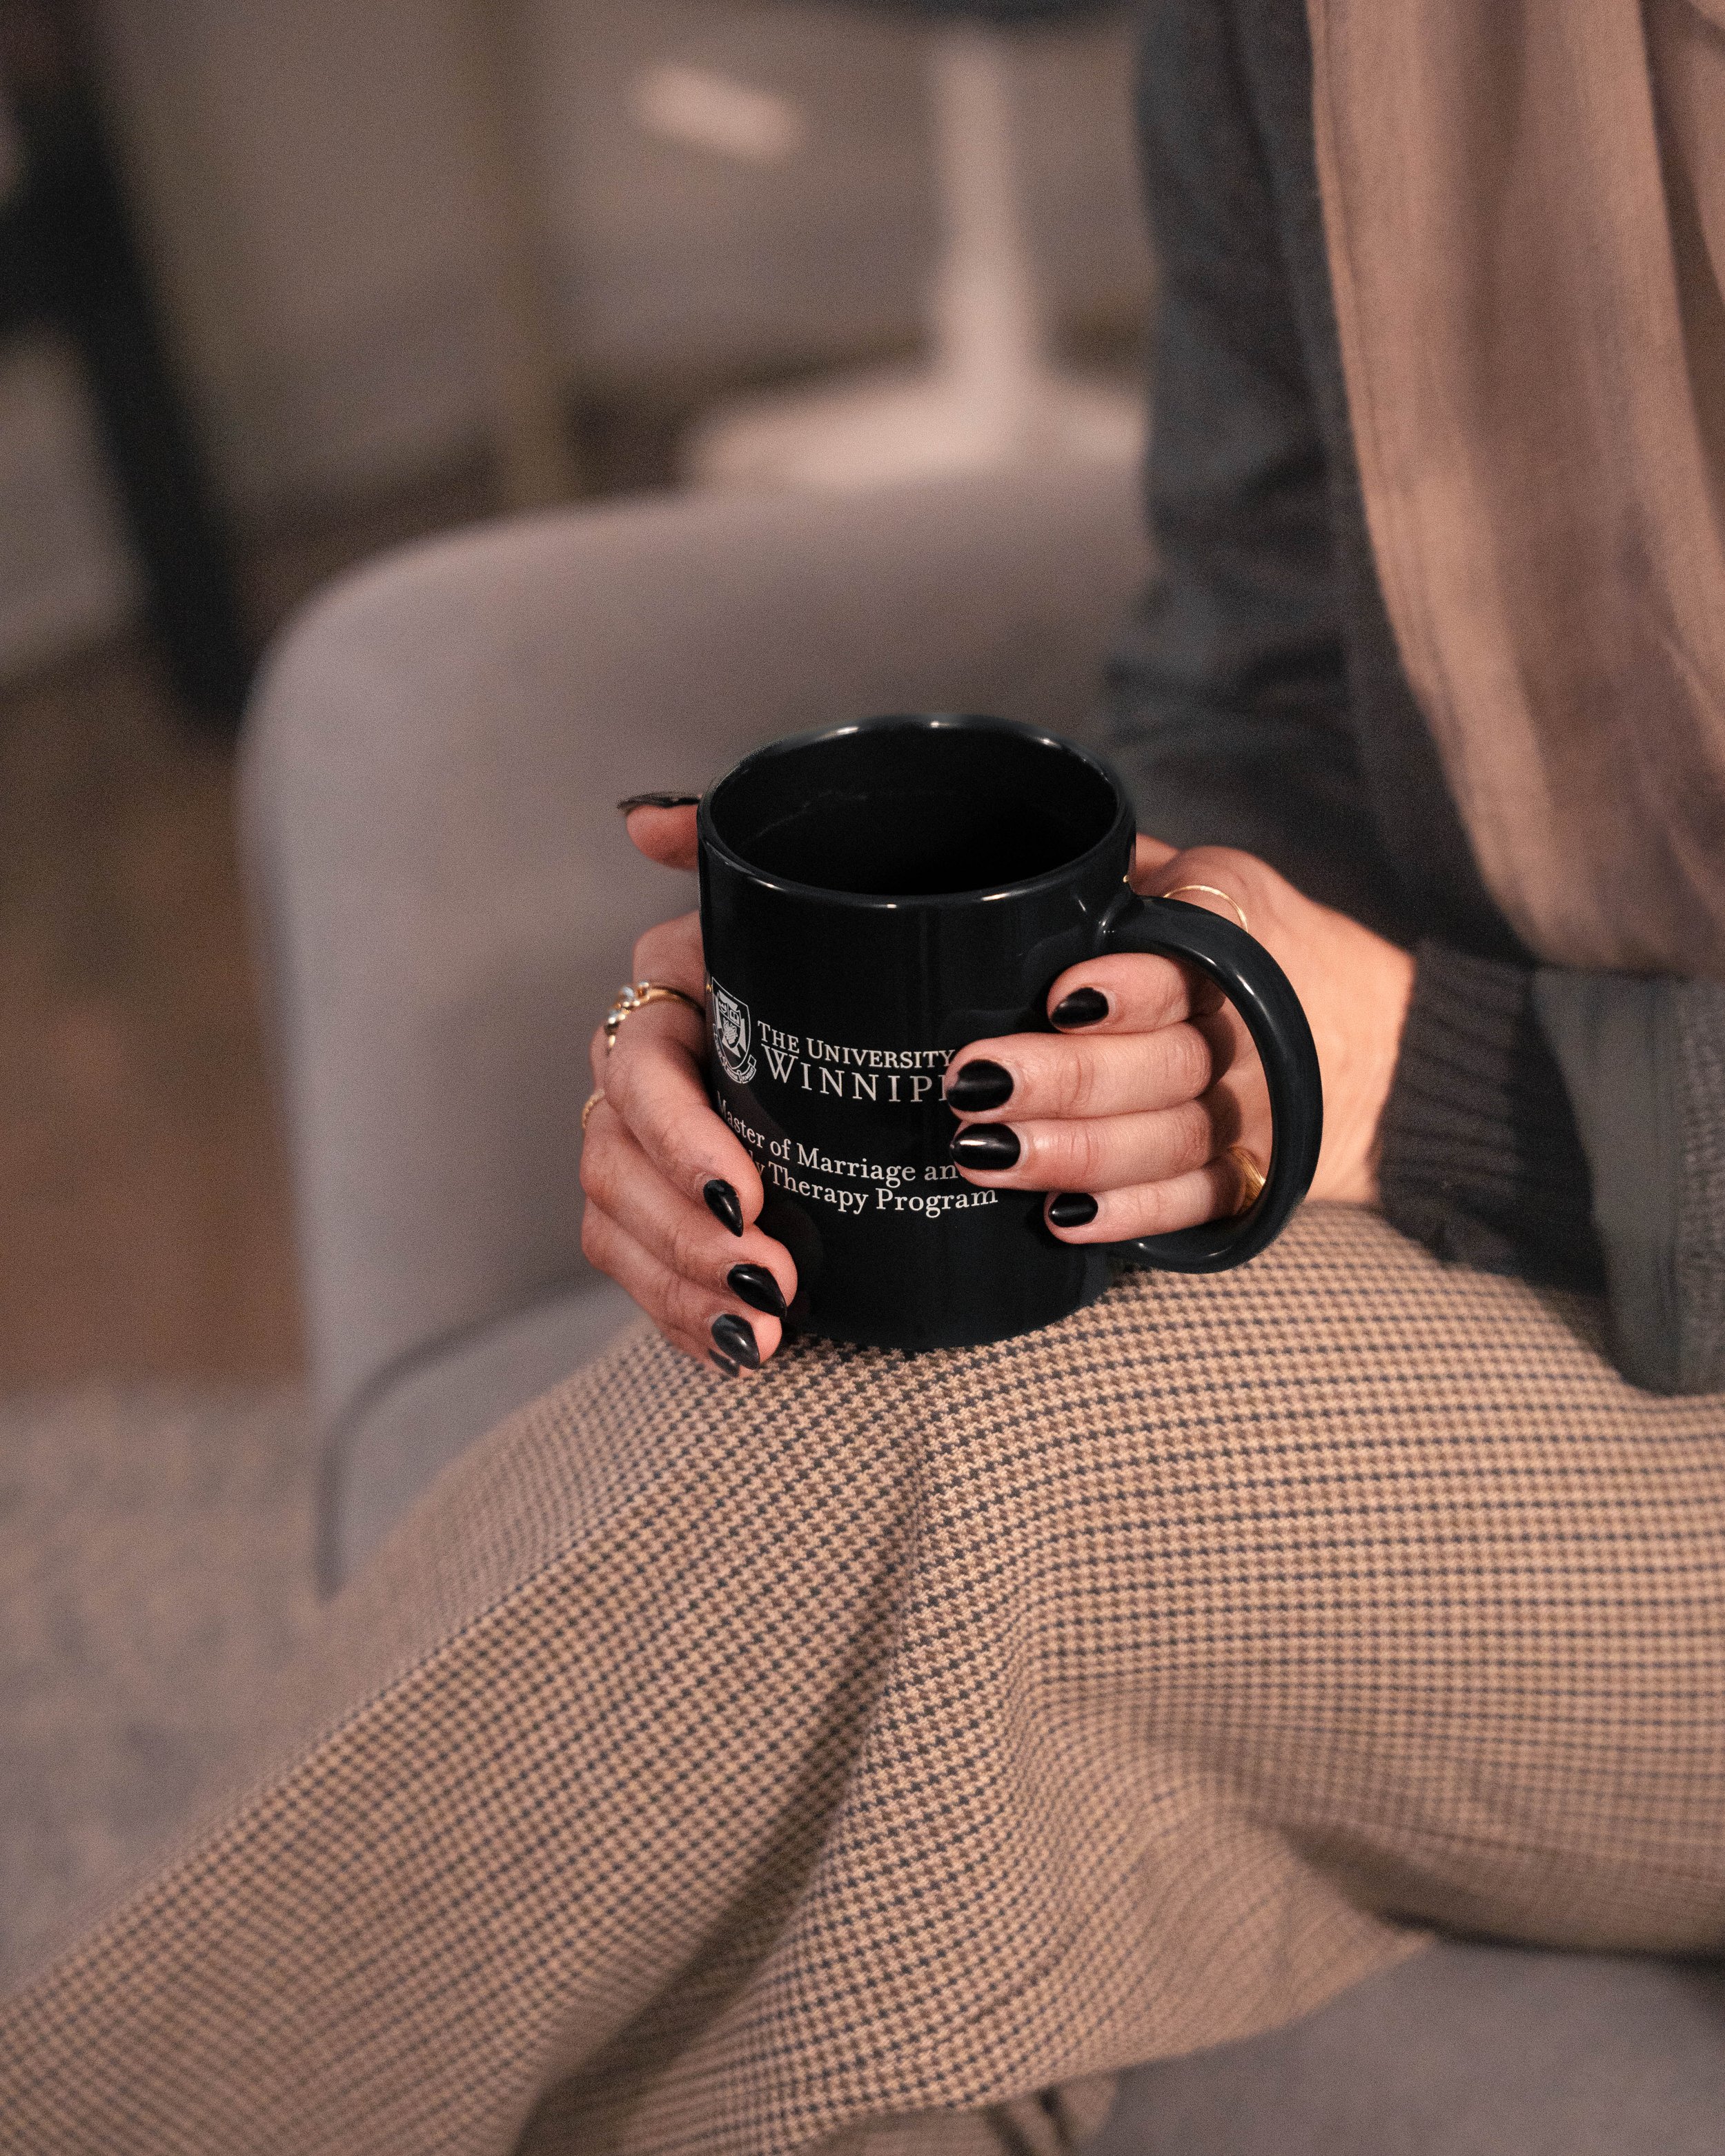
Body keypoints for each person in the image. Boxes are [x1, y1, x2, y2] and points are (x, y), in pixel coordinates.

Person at [4, 2, 1723, 2150]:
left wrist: (1451, 1083)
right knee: (847, 1619)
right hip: (1541, 1275)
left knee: (943, 1441)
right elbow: (1265, 667)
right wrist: (1068, 1006)